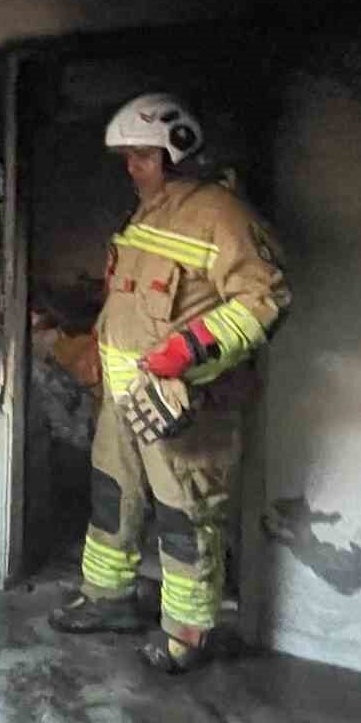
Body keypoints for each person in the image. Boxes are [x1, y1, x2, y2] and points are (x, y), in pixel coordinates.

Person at [49, 93, 291, 674]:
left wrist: (186, 352)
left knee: (186, 516)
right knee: (114, 496)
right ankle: (107, 597)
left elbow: (265, 299)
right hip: (124, 400)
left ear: (177, 153)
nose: (131, 168)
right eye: (128, 158)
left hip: (184, 403)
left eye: (142, 157)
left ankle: (188, 631)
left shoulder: (222, 215)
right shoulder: (148, 212)